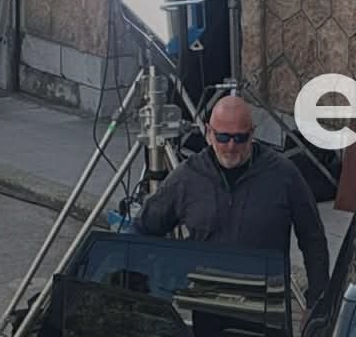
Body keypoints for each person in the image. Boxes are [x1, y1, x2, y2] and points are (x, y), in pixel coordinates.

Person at [137, 95, 331, 306]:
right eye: (223, 137)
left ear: (252, 134)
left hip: (265, 306)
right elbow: (143, 227)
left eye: (240, 138)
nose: (231, 146)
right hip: (206, 304)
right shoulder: (187, 177)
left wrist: (317, 302)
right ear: (209, 133)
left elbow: (313, 238)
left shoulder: (284, 175)